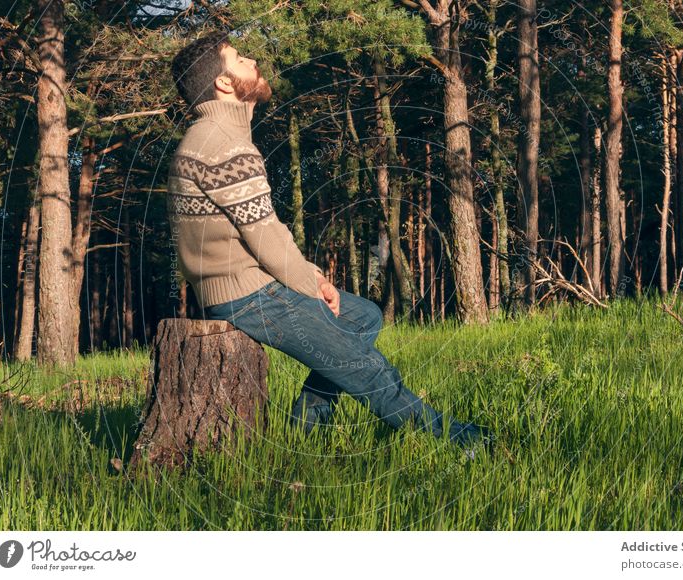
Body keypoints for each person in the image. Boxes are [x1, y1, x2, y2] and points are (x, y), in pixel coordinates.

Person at [168, 31, 495, 456]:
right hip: (248, 295)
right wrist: (312, 283)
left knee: (363, 316)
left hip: (239, 288)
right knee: (367, 369)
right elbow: (265, 237)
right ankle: (460, 443)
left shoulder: (210, 137)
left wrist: (311, 277)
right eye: (240, 58)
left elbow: (258, 229)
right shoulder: (225, 145)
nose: (252, 61)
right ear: (224, 83)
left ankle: (306, 430)